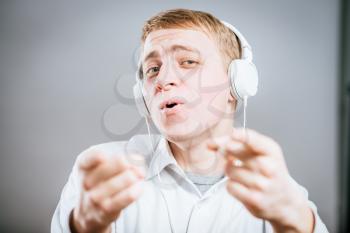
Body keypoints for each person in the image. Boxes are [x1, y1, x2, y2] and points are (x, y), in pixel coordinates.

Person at [51, 8, 329, 233]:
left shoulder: (279, 190)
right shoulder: (101, 174)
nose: (163, 79)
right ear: (142, 97)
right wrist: (85, 228)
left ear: (236, 85)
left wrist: (295, 224)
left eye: (188, 62)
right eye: (152, 69)